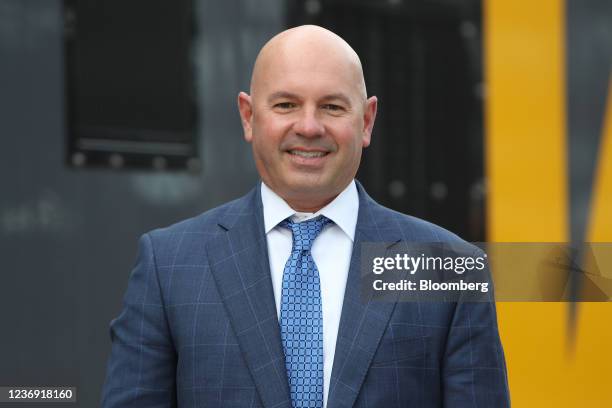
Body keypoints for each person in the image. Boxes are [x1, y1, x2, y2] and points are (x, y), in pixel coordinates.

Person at [101, 25, 509, 407]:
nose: (309, 126)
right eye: (286, 104)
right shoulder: (170, 265)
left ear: (366, 121)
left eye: (331, 106)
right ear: (249, 116)